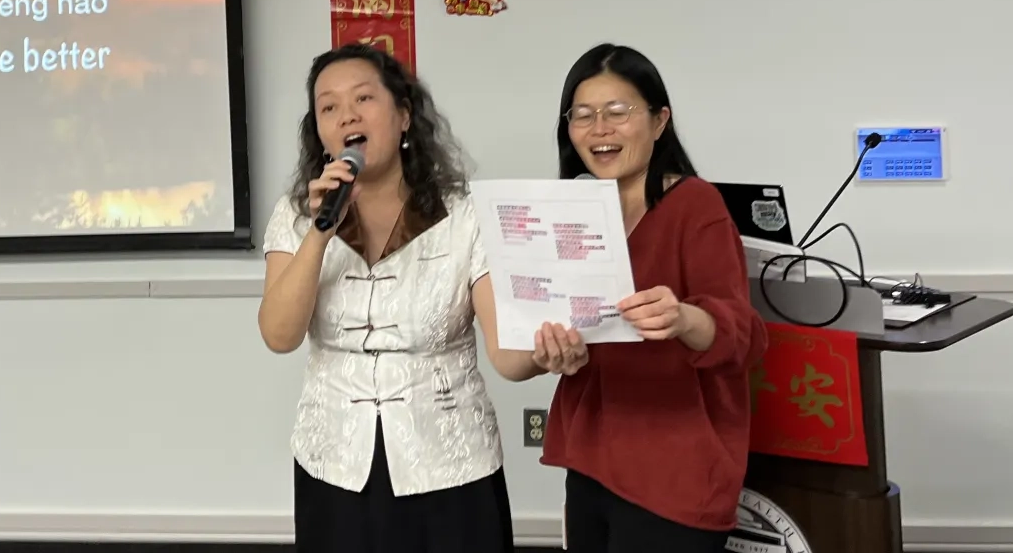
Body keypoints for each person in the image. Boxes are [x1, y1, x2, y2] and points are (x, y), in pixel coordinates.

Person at [258, 43, 543, 553]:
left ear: (404, 116)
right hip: (335, 465)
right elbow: (279, 335)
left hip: (451, 467)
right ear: (320, 131)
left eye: (364, 98)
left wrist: (551, 349)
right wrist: (320, 233)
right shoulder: (299, 214)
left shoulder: (465, 215)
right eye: (329, 106)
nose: (347, 114)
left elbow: (508, 355)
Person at [530, 43, 768, 552]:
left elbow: (744, 337)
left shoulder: (694, 204)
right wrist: (557, 349)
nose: (600, 129)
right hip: (592, 459)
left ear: (660, 122)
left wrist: (684, 318)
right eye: (583, 115)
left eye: (618, 113)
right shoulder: (571, 211)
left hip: (674, 467)